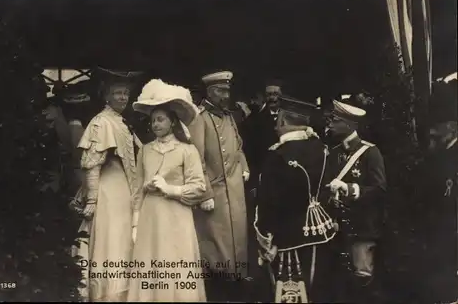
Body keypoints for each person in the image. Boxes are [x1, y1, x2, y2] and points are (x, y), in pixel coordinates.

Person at [127, 79, 207, 302]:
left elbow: (199, 187)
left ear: (172, 122)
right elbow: (137, 187)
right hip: (150, 217)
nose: (155, 124)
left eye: (160, 119)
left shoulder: (186, 151)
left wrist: (170, 189)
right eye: (153, 120)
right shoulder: (145, 150)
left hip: (177, 216)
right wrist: (135, 222)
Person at [254, 95, 337, 303]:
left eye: (278, 120)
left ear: (283, 121)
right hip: (323, 233)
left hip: (288, 238)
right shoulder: (323, 149)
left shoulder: (277, 156)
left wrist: (265, 237)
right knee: (320, 290)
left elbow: (269, 203)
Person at [71, 79, 142, 301]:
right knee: (111, 240)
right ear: (107, 96)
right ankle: (107, 295)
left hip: (123, 191)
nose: (123, 97)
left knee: (122, 242)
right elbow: (92, 163)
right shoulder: (101, 123)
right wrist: (91, 200)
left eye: (126, 93)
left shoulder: (120, 121)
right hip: (109, 193)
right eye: (118, 92)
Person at [188, 70, 250, 302]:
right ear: (211, 92)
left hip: (234, 190)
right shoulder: (200, 118)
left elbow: (239, 145)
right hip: (215, 192)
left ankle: (236, 285)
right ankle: (219, 290)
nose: (227, 95)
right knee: (216, 246)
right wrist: (204, 193)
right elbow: (196, 159)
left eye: (227, 90)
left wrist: (243, 165)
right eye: (222, 91)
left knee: (237, 244)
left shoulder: (229, 116)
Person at [325, 99, 387, 303]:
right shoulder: (333, 153)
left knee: (362, 284)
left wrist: (351, 189)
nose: (330, 125)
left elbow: (379, 190)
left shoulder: (370, 153)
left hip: (362, 229)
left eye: (335, 121)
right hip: (337, 230)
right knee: (339, 284)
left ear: (349, 125)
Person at [412, 74, 457, 303]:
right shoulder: (435, 156)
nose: (430, 134)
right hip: (434, 237)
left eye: (435, 129)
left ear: (451, 127)